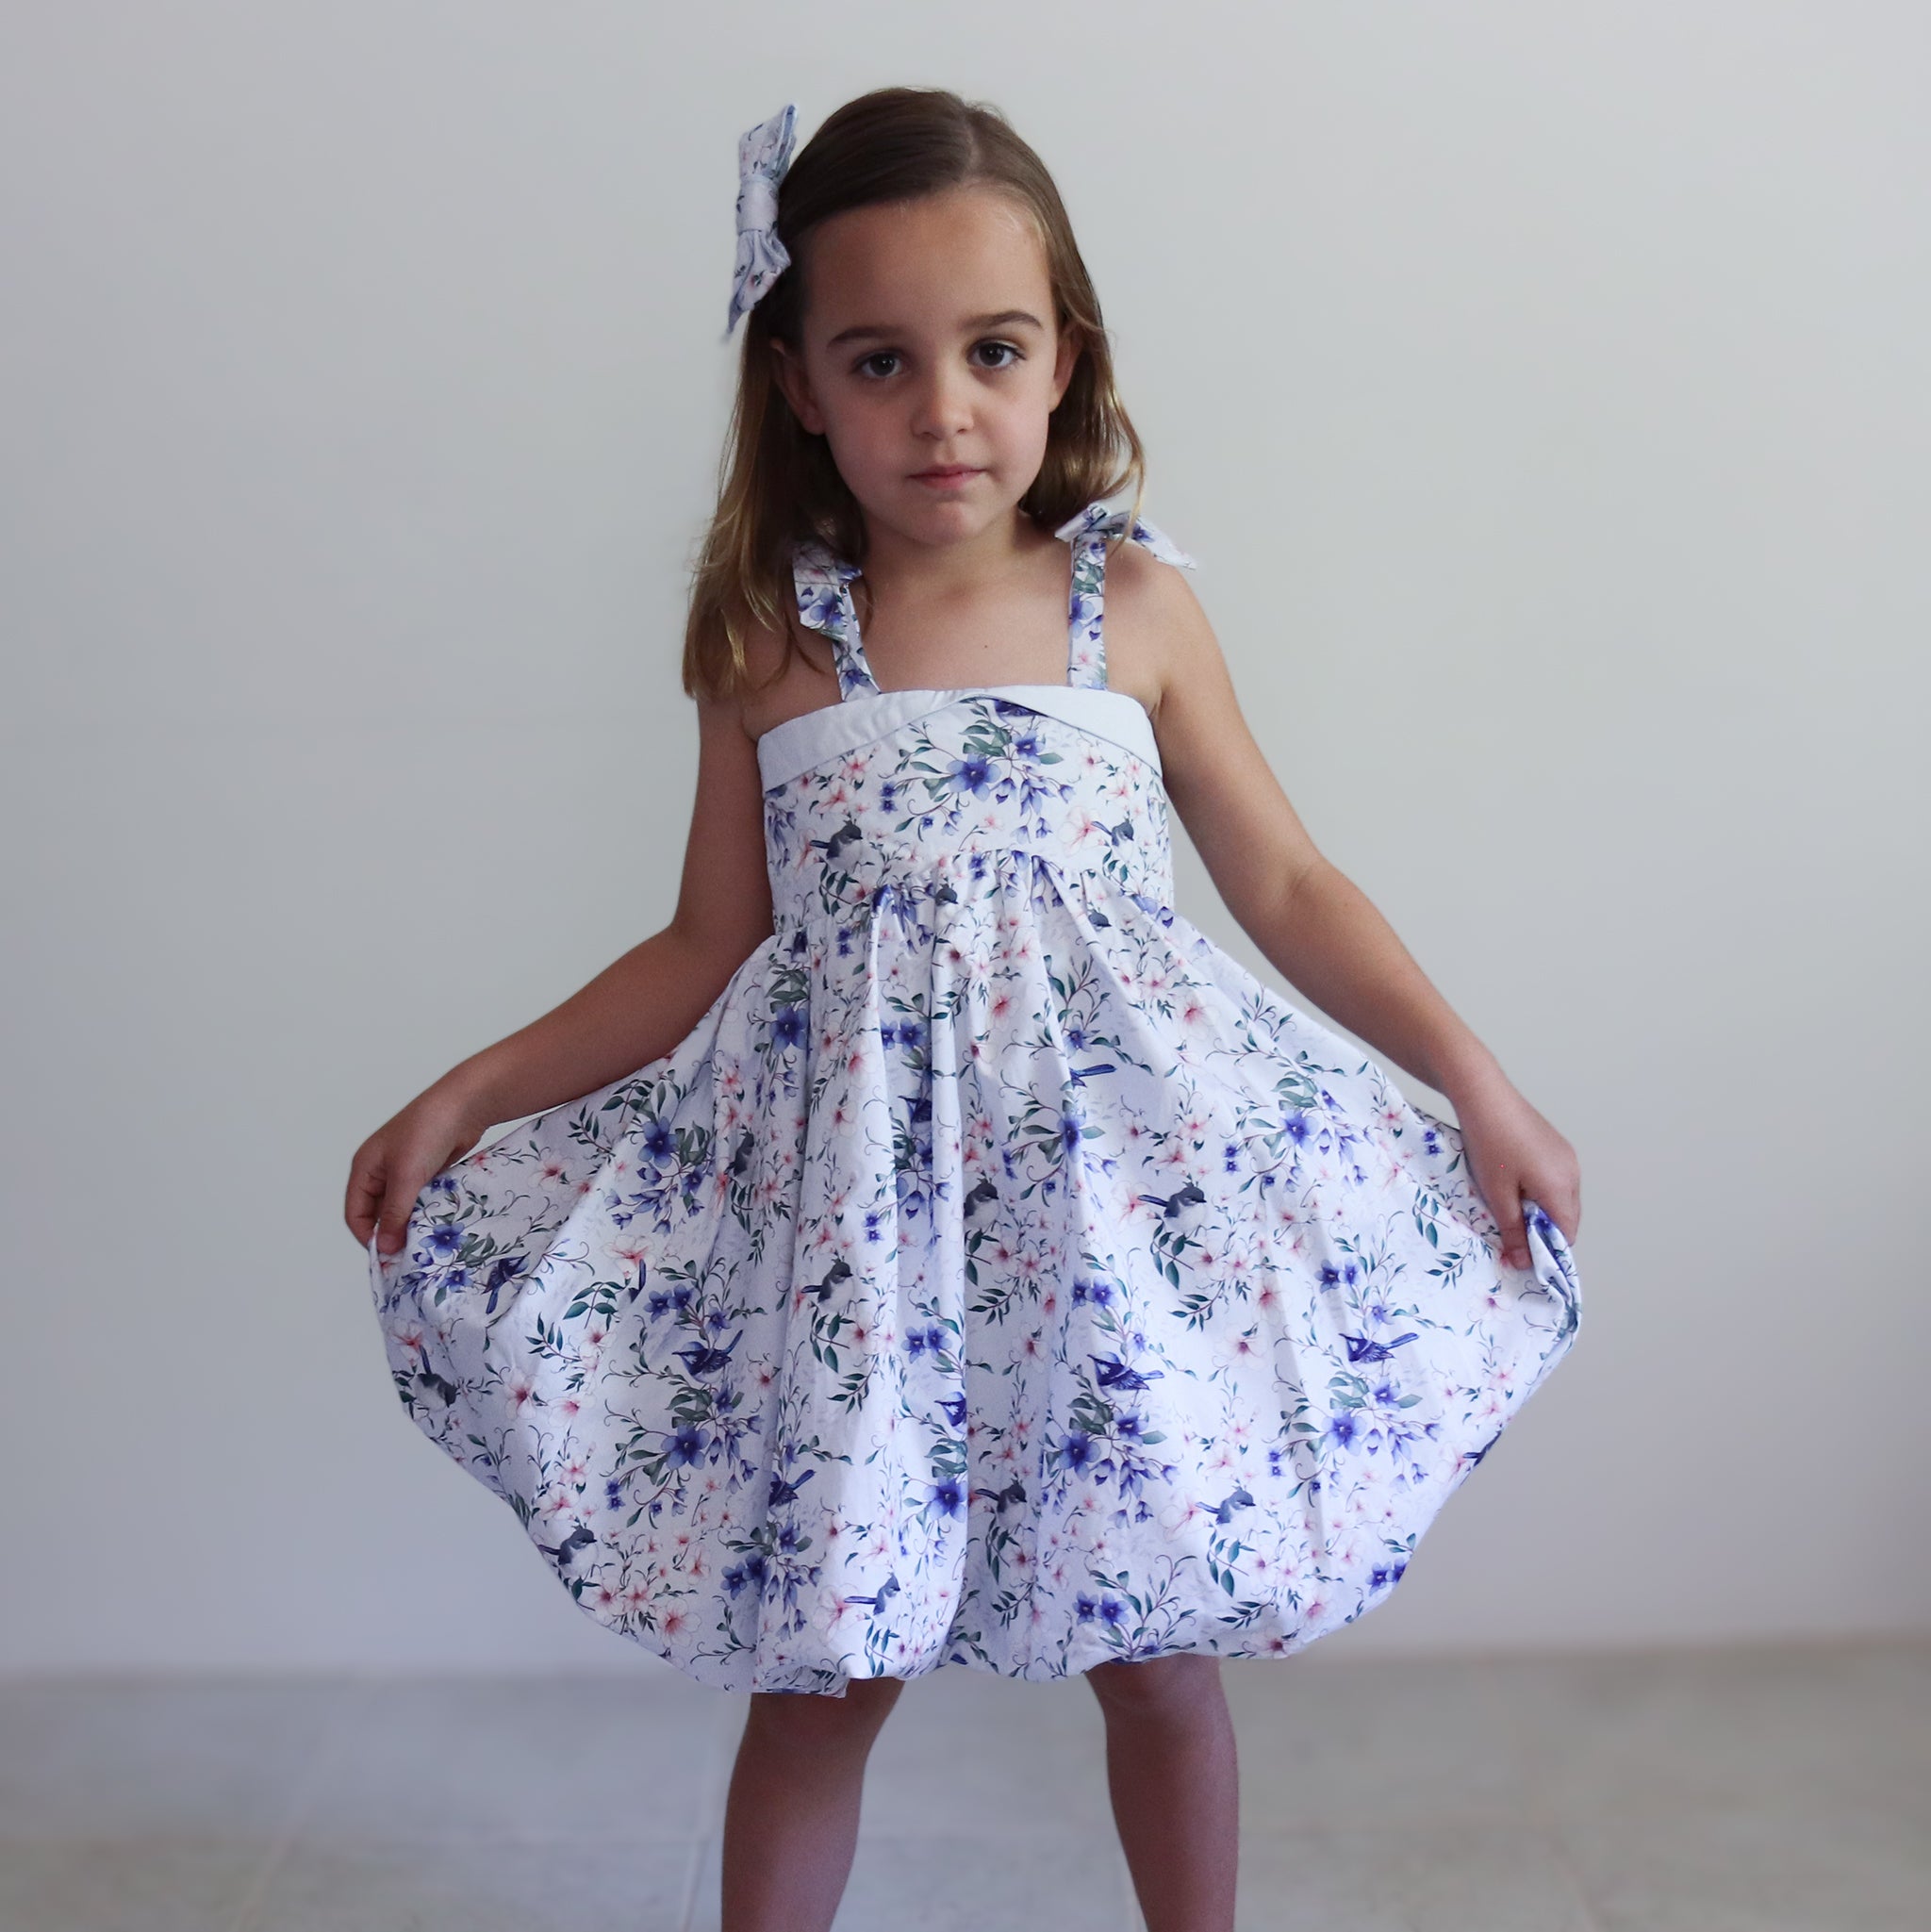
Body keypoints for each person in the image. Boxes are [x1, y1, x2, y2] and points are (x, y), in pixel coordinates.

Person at [344, 86, 1583, 1932]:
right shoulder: (771, 648)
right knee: (825, 1670)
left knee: (1159, 1650)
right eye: (881, 360)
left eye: (991, 351)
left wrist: (1476, 1082)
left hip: (1112, 1220)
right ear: (797, 384)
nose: (942, 408)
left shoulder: (1130, 610)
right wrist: (472, 1090)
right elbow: (699, 945)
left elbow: (1286, 884)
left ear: (1062, 357)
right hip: (866, 1247)